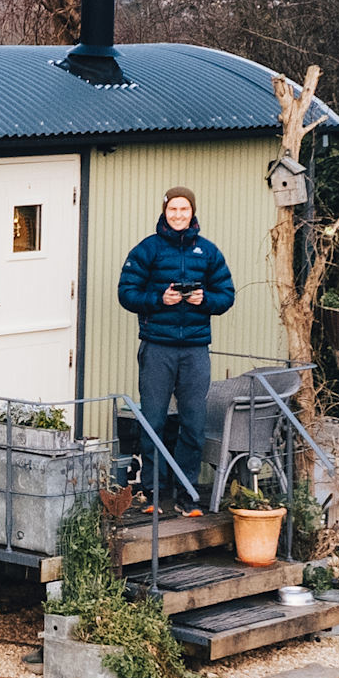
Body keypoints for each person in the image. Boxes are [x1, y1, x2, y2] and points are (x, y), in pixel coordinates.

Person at [116, 187, 235, 500]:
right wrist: (159, 299)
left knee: (193, 423)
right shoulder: (148, 249)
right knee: (152, 421)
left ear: (192, 212)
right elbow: (126, 293)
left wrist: (204, 299)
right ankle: (155, 488)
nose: (179, 215)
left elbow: (226, 295)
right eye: (173, 210)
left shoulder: (208, 251)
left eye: (184, 210)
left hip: (195, 349)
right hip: (157, 347)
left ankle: (186, 487)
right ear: (164, 211)